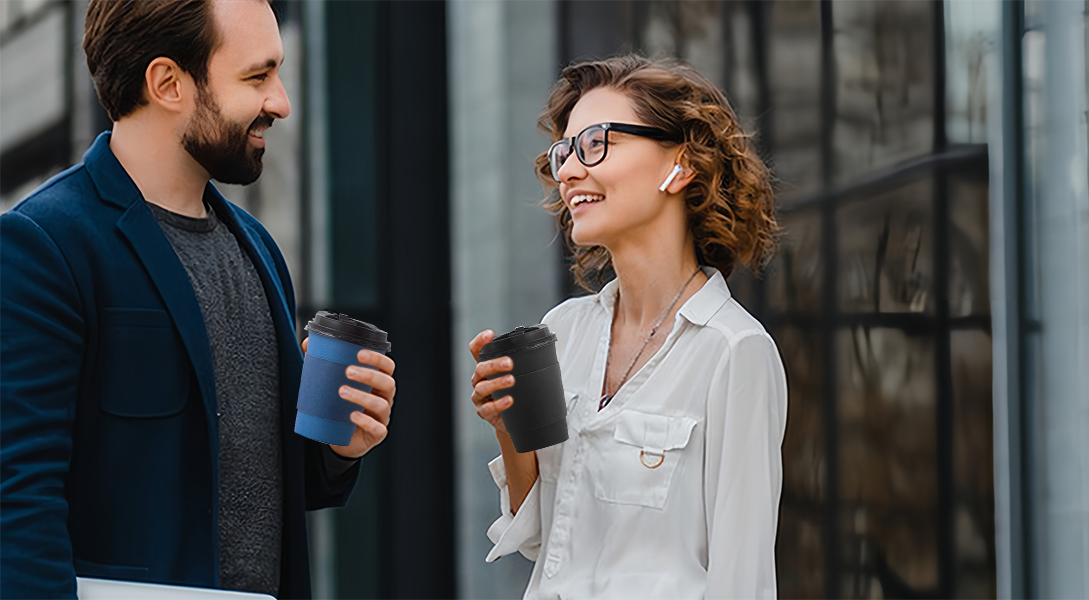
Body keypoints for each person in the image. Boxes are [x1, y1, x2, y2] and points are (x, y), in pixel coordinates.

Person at [0, 1, 396, 598]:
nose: (281, 102)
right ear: (168, 83)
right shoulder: (44, 245)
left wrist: (336, 450)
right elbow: (17, 506)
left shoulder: (258, 248)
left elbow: (257, 482)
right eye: (257, 76)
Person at [468, 55, 788, 598]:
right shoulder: (562, 331)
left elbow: (744, 579)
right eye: (565, 151)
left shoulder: (735, 351)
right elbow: (540, 534)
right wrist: (507, 425)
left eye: (596, 143)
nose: (569, 171)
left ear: (680, 165)